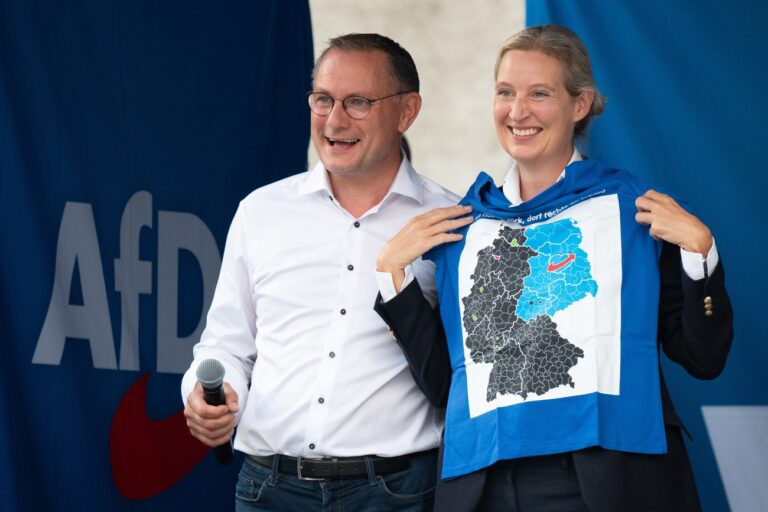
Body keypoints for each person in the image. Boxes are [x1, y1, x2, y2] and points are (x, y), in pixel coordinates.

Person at [374, 25, 733, 511]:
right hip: (488, 487)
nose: (517, 112)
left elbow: (702, 358)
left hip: (606, 481)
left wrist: (701, 253)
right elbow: (446, 383)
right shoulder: (465, 227)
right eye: (505, 92)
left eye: (539, 94)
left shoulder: (634, 210)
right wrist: (392, 277)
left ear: (579, 105)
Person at [181, 33, 458, 511]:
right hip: (268, 487)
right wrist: (212, 394)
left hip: (394, 493)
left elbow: (460, 374)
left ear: (407, 111)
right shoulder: (261, 211)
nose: (334, 120)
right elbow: (227, 342)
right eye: (323, 99)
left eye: (358, 102)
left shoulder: (452, 221)